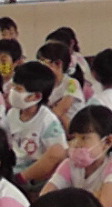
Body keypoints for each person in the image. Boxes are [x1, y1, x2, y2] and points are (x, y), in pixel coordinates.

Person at [5, 61, 67, 190]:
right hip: (15, 166)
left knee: (56, 150)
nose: (13, 92)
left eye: (19, 89)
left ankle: (19, 180)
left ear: (37, 96)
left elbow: (59, 155)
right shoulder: (11, 114)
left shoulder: (47, 120)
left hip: (37, 173)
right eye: (13, 87)